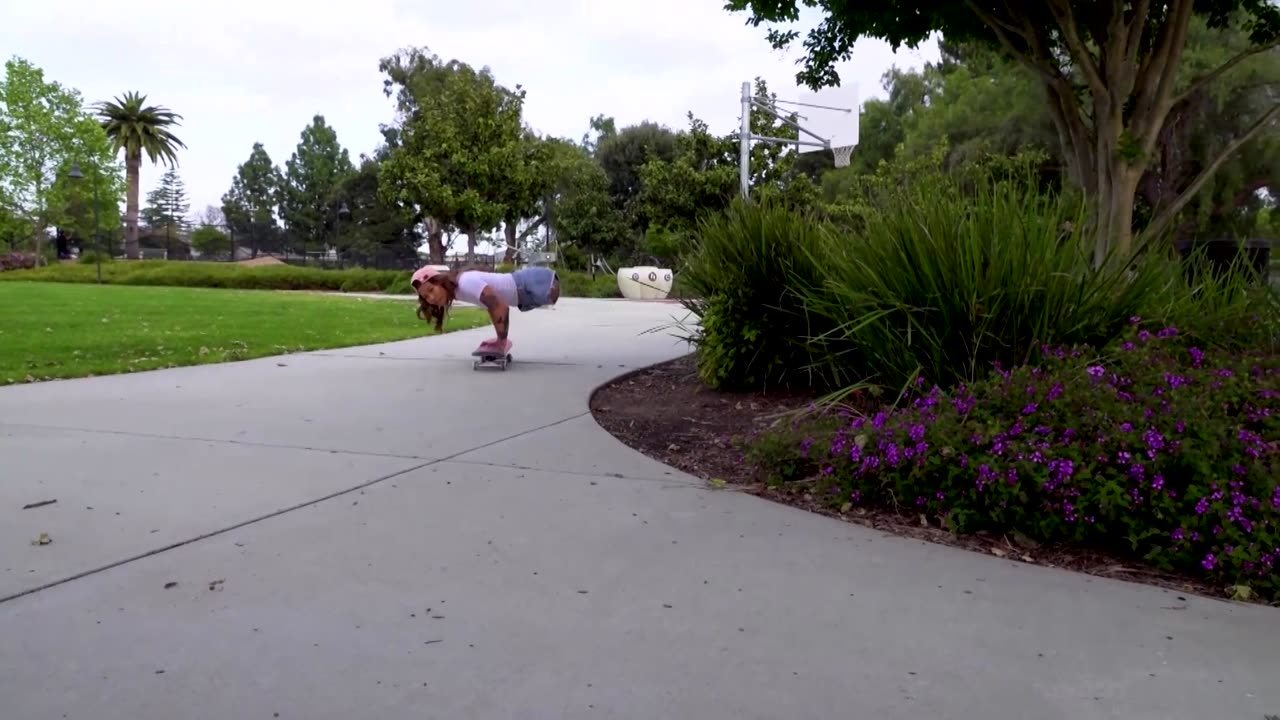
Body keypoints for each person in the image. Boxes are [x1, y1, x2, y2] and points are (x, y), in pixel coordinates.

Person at [411, 264, 561, 348]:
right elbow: (493, 306)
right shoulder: (459, 289)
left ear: (441, 281)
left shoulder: (465, 283)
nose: (431, 298)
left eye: (431, 290)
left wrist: (500, 341)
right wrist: (500, 339)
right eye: (426, 296)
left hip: (536, 284)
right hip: (532, 287)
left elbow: (500, 307)